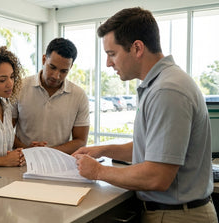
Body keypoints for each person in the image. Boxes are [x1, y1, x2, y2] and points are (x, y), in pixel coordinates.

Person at [72, 7, 217, 223]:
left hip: (176, 216)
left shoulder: (167, 90)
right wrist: (102, 149)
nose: (108, 63)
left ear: (137, 48)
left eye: (112, 54)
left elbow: (157, 176)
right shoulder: (161, 84)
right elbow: (154, 149)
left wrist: (98, 171)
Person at [12, 38, 90, 154]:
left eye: (63, 71)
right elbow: (5, 131)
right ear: (44, 59)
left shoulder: (79, 95)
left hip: (59, 164)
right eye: (52, 67)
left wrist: (48, 153)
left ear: (71, 67)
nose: (56, 76)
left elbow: (80, 140)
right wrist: (28, 150)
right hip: (22, 160)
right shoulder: (19, 87)